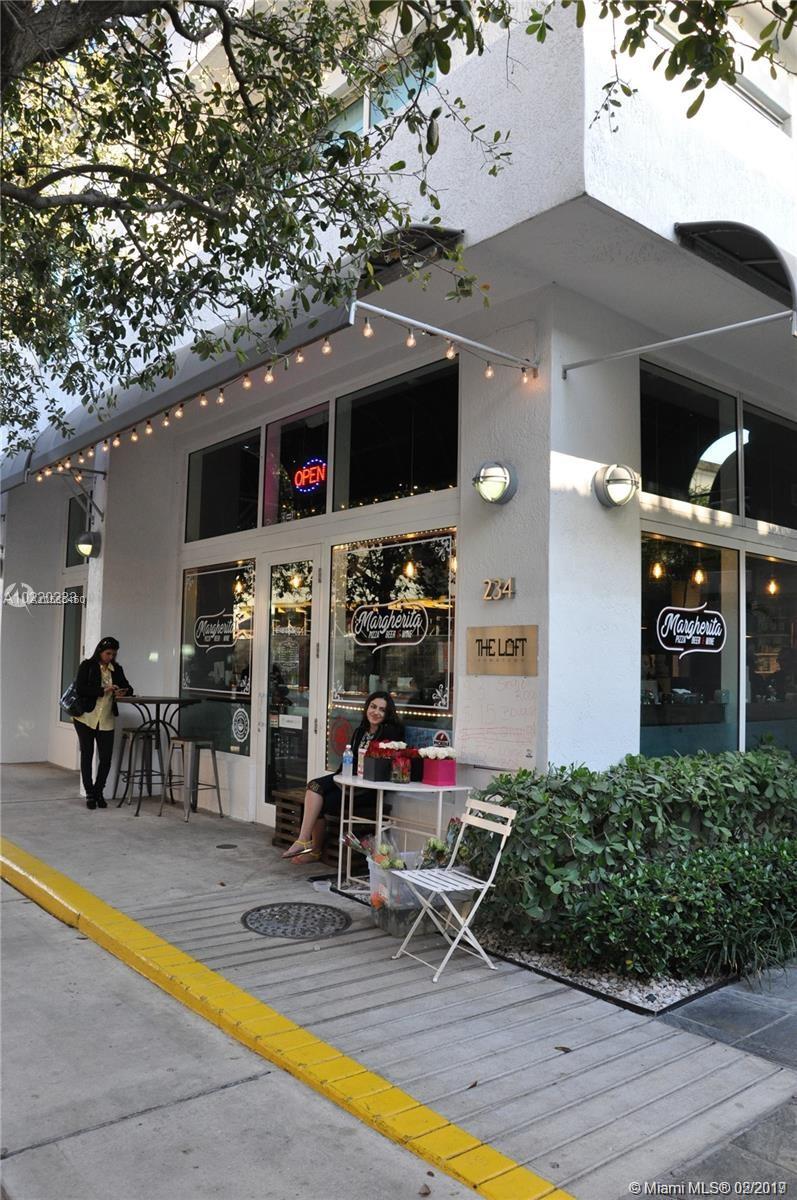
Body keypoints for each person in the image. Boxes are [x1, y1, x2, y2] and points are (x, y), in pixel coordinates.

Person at [281, 690, 404, 863]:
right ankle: (304, 841)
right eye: (373, 707)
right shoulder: (361, 731)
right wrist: (339, 779)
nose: (376, 712)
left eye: (382, 710)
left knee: (321, 802)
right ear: (367, 708)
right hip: (349, 778)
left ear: (387, 714)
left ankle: (312, 849)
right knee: (314, 786)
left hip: (367, 788)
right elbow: (349, 761)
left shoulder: (390, 733)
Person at [73, 636, 133, 810]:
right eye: (108, 653)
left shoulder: (117, 669)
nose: (110, 657)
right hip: (86, 717)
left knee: (106, 758)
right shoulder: (88, 666)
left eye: (114, 654)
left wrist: (123, 692)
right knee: (87, 754)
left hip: (106, 719)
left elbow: (129, 687)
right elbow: (80, 688)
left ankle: (99, 791)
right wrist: (103, 690)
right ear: (100, 651)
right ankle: (90, 793)